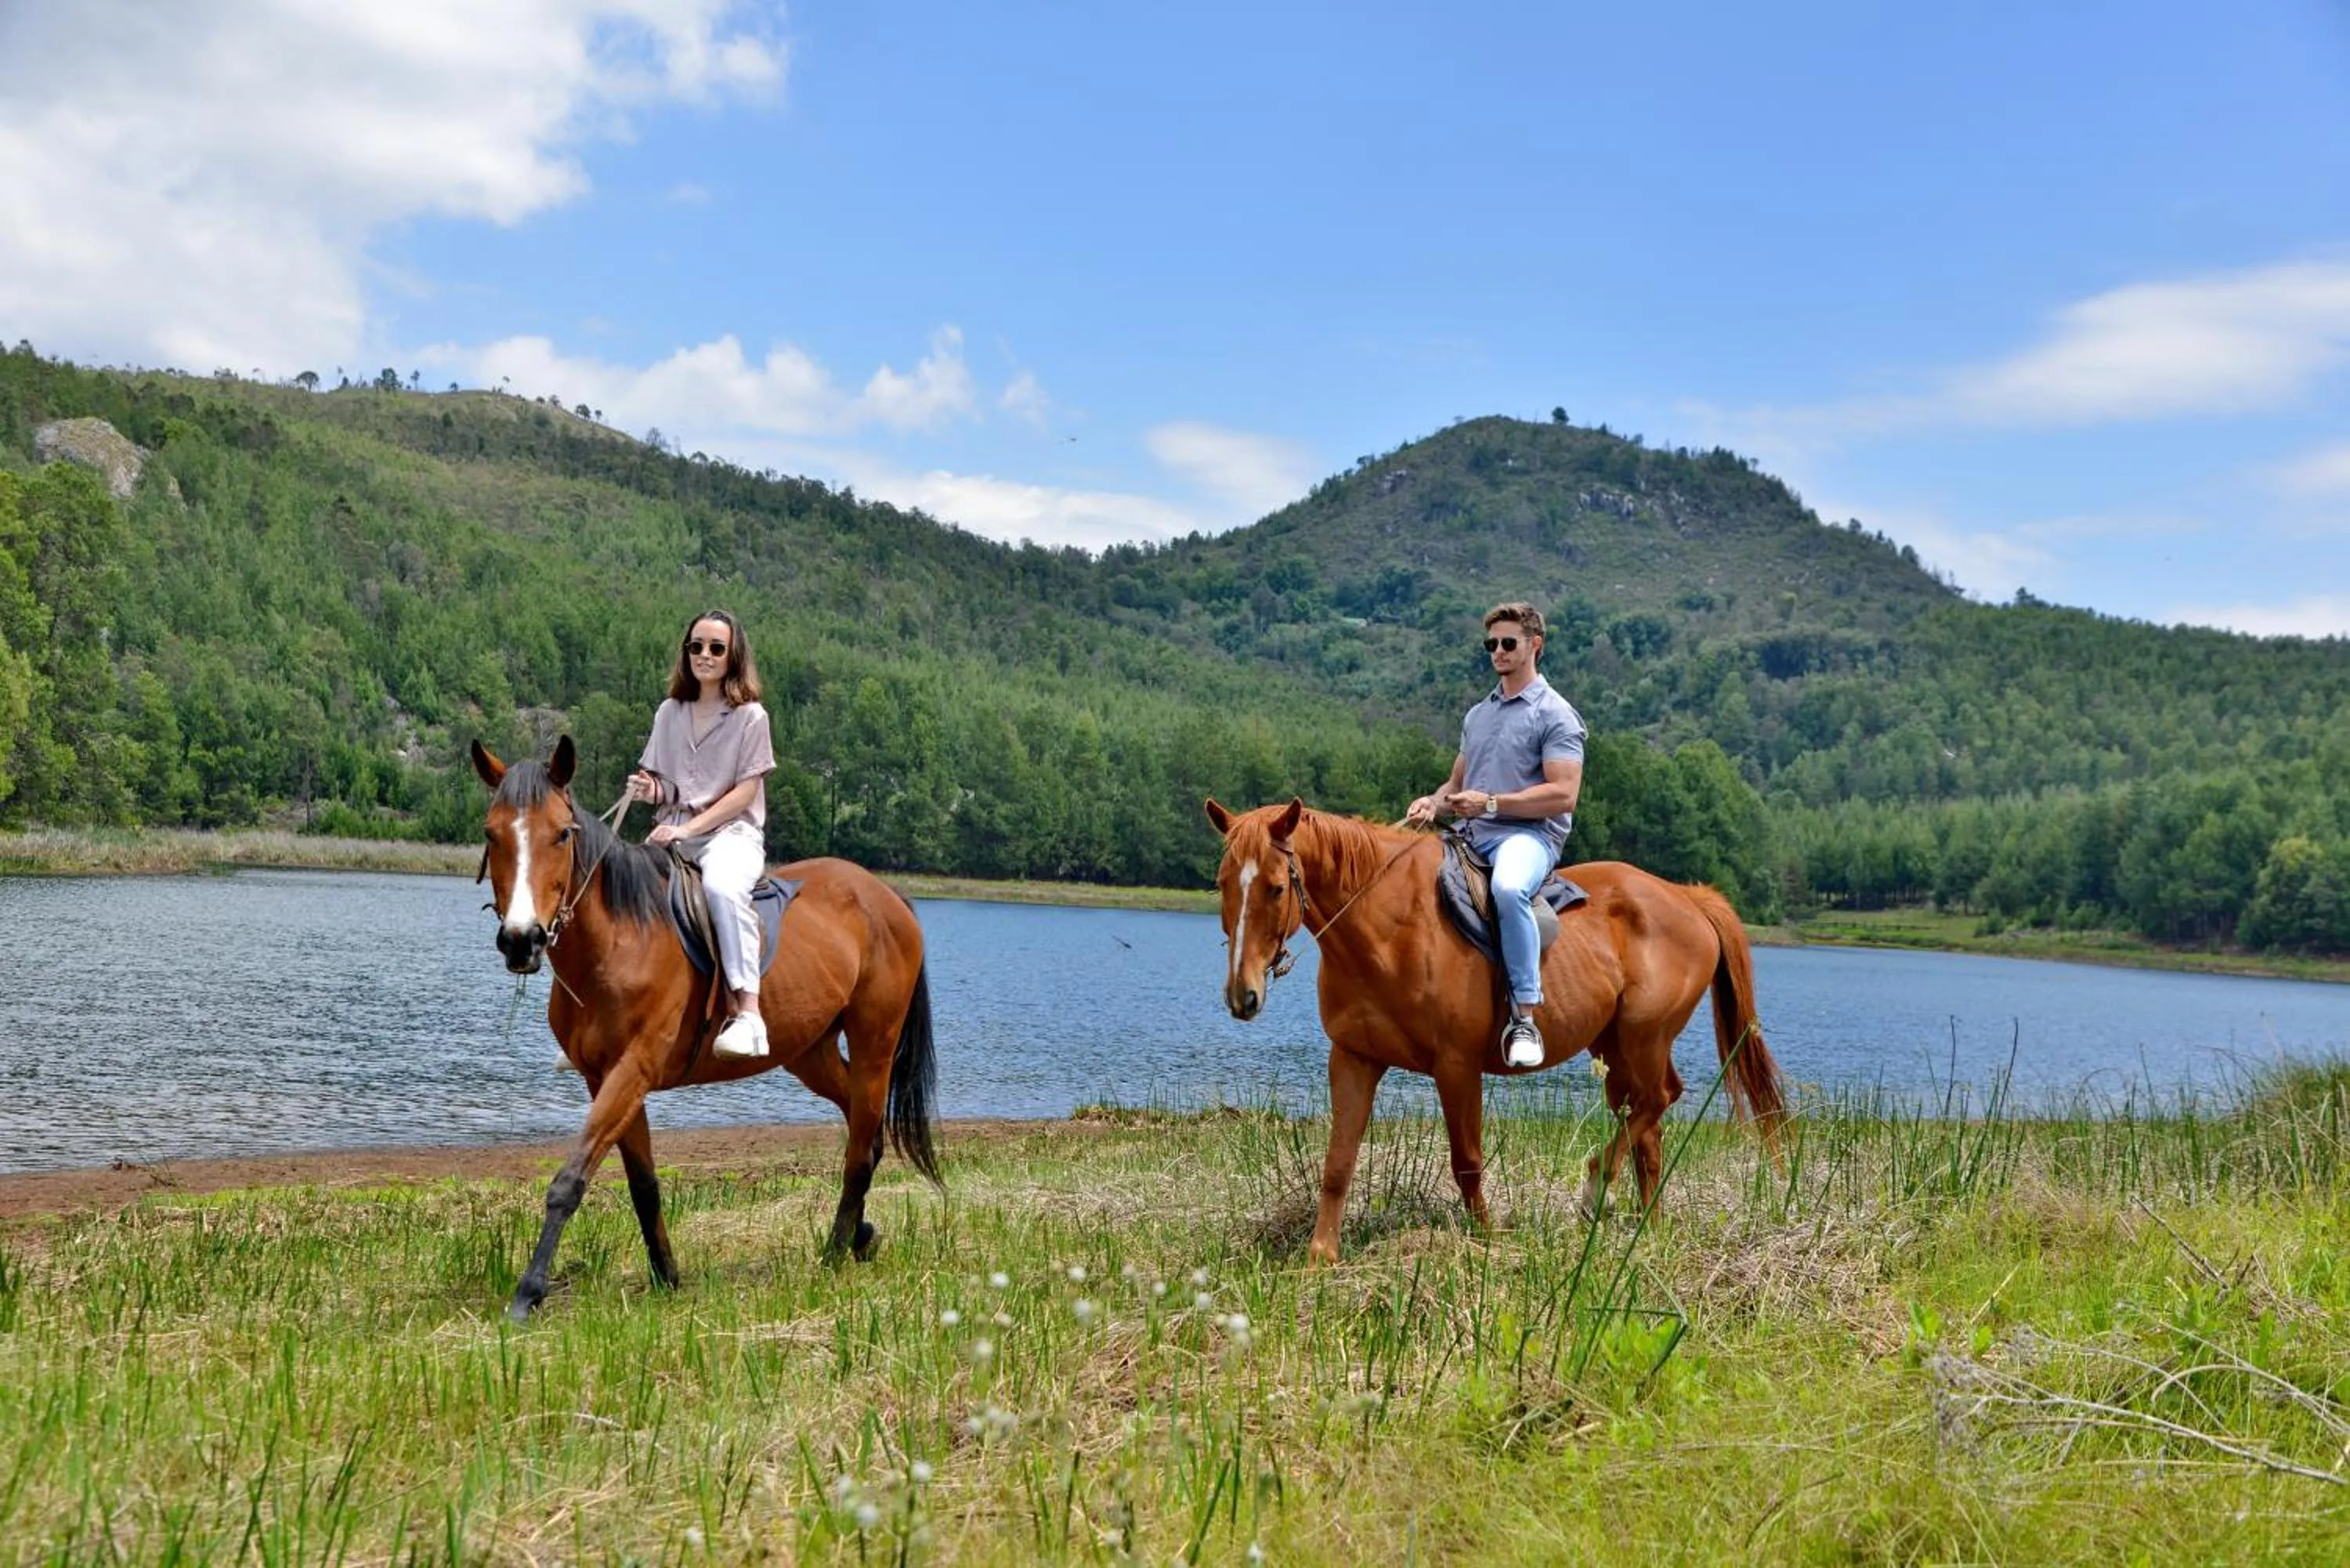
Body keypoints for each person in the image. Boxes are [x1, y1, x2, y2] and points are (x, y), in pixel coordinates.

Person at [1404, 602, 1587, 1068]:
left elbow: (1564, 795)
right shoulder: (1478, 715)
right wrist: (1433, 802)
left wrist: (1490, 804)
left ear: (1534, 646)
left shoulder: (1557, 715)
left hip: (1527, 839)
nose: (1498, 652)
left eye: (1509, 643)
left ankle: (1523, 1017)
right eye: (1492, 644)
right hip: (1468, 833)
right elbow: (1456, 786)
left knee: (1507, 889)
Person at [627, 609, 779, 1060]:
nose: (705, 656)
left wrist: (688, 828)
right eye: (696, 647)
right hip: (672, 830)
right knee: (616, 888)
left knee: (721, 886)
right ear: (686, 652)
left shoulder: (751, 717)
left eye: (716, 648)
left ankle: (748, 1014)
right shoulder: (669, 712)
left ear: (734, 656)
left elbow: (746, 791)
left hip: (731, 835)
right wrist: (648, 790)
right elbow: (668, 786)